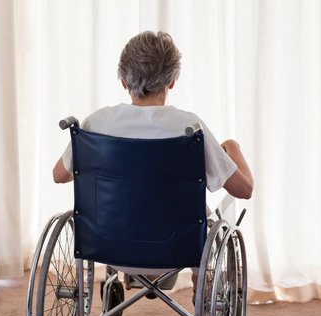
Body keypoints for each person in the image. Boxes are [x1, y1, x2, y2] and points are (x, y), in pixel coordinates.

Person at [52, 31, 253, 293]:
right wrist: (233, 148)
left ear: (123, 81)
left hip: (108, 246)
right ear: (171, 81)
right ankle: (200, 287)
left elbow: (59, 175)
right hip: (177, 249)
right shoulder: (190, 128)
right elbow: (244, 190)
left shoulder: (95, 124)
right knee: (204, 216)